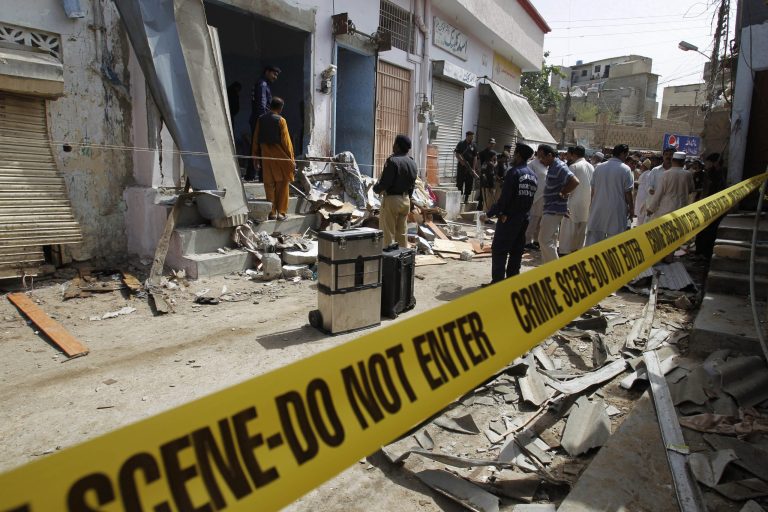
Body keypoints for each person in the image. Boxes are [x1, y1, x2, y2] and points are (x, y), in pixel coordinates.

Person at [483, 143, 538, 283]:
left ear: (518, 155)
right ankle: (512, 282)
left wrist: (489, 214)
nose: (513, 156)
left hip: (509, 218)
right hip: (524, 219)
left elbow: (504, 199)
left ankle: (498, 283)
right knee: (516, 251)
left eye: (515, 154)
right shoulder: (533, 176)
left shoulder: (514, 172)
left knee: (499, 250)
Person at [252, 97, 294, 220]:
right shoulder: (281, 120)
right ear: (280, 108)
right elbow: (286, 142)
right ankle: (281, 212)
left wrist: (255, 157)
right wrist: (291, 159)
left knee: (269, 184)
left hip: (266, 157)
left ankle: (271, 212)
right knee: (283, 184)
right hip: (281, 157)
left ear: (270, 106)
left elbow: (255, 139)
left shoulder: (260, 119)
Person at [537, 144, 580, 263]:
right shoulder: (553, 166)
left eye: (542, 157)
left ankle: (555, 267)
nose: (540, 160)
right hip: (553, 208)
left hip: (553, 209)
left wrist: (563, 193)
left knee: (544, 240)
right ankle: (550, 268)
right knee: (550, 240)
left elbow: (575, 181)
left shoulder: (559, 166)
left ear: (550, 155)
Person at [373, 134, 418, 248]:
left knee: (387, 233)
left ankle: (387, 257)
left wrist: (376, 188)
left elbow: (385, 183)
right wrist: (409, 198)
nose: (393, 146)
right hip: (406, 200)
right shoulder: (412, 162)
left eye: (394, 143)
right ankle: (402, 256)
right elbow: (412, 184)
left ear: (397, 146)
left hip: (392, 200)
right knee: (402, 233)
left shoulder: (392, 161)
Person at [585, 144, 634, 246]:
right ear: (623, 153)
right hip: (616, 209)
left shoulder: (599, 167)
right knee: (614, 241)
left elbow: (593, 190)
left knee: (594, 239)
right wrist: (631, 208)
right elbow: (628, 192)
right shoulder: (625, 169)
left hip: (598, 207)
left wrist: (591, 205)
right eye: (626, 154)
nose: (626, 156)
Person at [246, 65, 281, 181]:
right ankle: (261, 176)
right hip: (260, 120)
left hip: (257, 119)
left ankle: (251, 175)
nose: (275, 77)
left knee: (256, 147)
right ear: (267, 72)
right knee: (262, 147)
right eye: (274, 74)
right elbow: (262, 104)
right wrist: (264, 120)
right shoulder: (263, 84)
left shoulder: (261, 83)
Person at [559, 146, 593, 255]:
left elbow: (568, 184)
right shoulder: (591, 167)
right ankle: (578, 250)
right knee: (582, 228)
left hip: (573, 200)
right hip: (586, 201)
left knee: (568, 227)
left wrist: (562, 194)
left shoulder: (574, 166)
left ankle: (564, 250)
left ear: (573, 154)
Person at [694, 153, 727, 259]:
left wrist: (718, 169)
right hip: (704, 206)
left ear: (714, 163)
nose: (706, 164)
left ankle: (706, 255)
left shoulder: (722, 174)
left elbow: (720, 187)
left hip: (715, 207)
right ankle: (699, 252)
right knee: (701, 231)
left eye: (708, 162)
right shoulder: (708, 173)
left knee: (710, 233)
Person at [646, 151, 695, 221]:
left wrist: (651, 209)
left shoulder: (666, 174)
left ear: (672, 160)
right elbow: (691, 190)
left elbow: (659, 193)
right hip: (681, 210)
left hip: (666, 210)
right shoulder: (688, 174)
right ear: (683, 162)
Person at [525, 148, 548, 250]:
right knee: (533, 220)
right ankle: (527, 241)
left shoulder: (545, 164)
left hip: (544, 196)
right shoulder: (532, 164)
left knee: (540, 221)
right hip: (536, 197)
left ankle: (536, 240)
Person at [454, 131, 478, 204]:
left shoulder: (474, 145)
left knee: (469, 182)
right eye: (471, 136)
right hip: (462, 166)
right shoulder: (461, 143)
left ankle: (466, 198)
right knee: (460, 181)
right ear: (467, 136)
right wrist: (461, 161)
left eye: (472, 137)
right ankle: (459, 198)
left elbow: (475, 157)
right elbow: (457, 153)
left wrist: (473, 168)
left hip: (470, 167)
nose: (472, 138)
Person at [478, 138, 497, 210]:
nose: (492, 145)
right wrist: (478, 170)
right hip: (484, 173)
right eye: (491, 143)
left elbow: (496, 161)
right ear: (488, 143)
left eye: (493, 144)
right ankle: (480, 205)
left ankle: (489, 206)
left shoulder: (494, 152)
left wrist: (494, 164)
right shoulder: (483, 152)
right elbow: (478, 161)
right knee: (483, 189)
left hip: (491, 173)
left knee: (491, 190)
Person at [635, 158, 654, 224]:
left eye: (642, 165)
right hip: (641, 197)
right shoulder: (645, 173)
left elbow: (647, 188)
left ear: (645, 166)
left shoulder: (648, 174)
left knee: (642, 216)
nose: (641, 167)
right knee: (640, 215)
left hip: (644, 199)